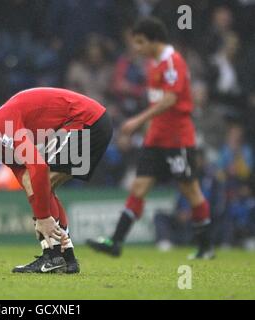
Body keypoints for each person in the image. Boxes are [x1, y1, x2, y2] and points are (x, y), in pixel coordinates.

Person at [86, 17, 215, 260]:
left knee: (191, 190)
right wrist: (148, 127)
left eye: (140, 42)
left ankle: (206, 246)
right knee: (139, 187)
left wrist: (138, 120)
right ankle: (116, 241)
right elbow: (159, 100)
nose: (137, 48)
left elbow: (170, 100)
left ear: (154, 40)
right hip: (156, 136)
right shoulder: (154, 63)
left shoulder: (172, 61)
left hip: (178, 137)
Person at [0, 87, 112, 273]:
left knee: (41, 180)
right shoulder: (2, 149)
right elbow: (31, 187)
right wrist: (41, 215)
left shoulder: (2, 124)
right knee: (43, 188)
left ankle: (53, 257)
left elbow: (38, 167)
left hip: (87, 121)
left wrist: (44, 217)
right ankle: (66, 257)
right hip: (91, 122)